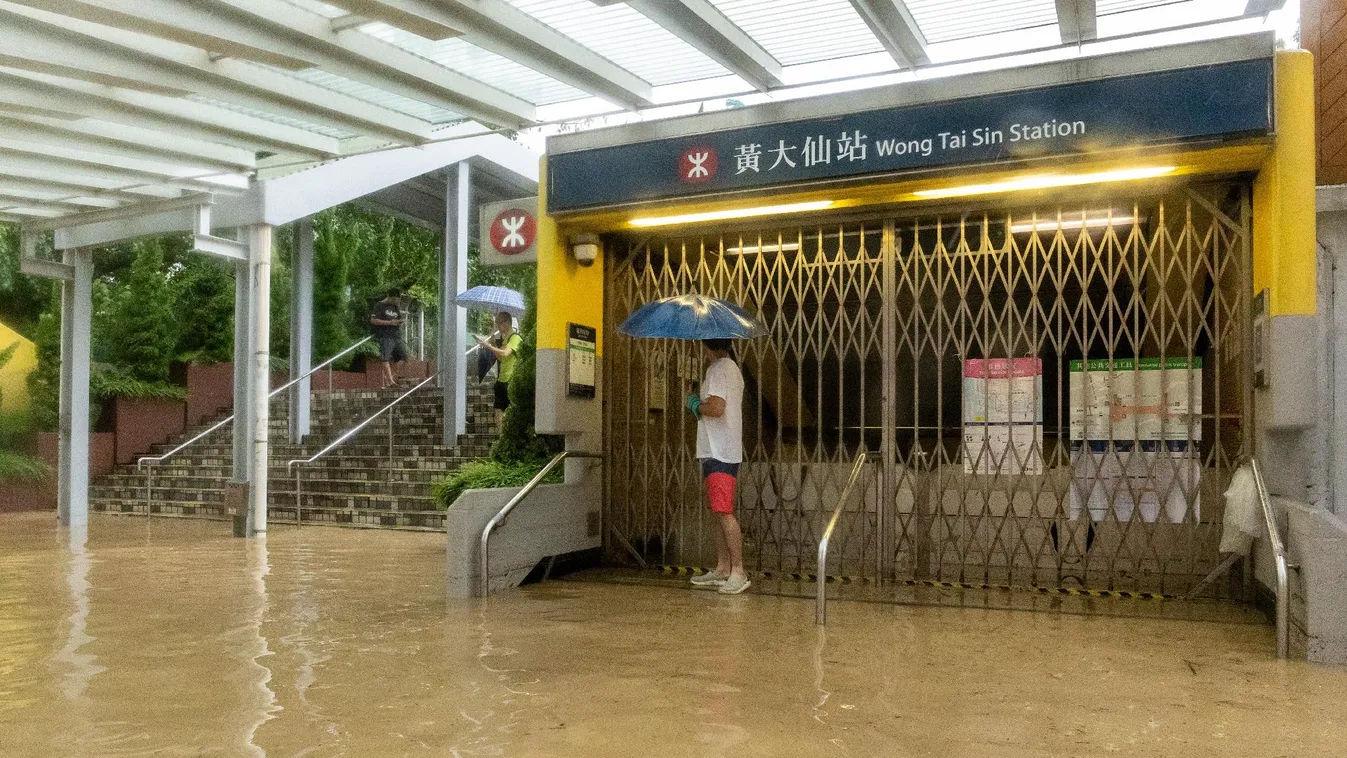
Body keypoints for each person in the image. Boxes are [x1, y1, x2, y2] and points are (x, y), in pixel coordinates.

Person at [686, 338, 749, 595]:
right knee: (717, 511)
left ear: (707, 346)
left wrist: (693, 403)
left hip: (718, 451)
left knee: (723, 511)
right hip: (722, 450)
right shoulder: (733, 369)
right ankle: (723, 568)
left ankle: (738, 571)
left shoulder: (717, 369)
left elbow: (716, 408)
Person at [477, 311, 522, 424]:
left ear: (507, 323)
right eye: (497, 323)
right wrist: (493, 344)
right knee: (498, 412)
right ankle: (501, 437)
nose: (498, 326)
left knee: (508, 413)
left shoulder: (515, 338)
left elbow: (505, 353)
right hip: (502, 380)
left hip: (510, 380)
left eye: (499, 323)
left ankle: (506, 436)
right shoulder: (505, 339)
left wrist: (489, 346)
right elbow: (501, 358)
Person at [369, 288, 407, 389]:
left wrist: (400, 322)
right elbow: (373, 320)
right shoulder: (379, 305)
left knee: (403, 358)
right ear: (389, 296)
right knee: (385, 357)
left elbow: (397, 319)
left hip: (396, 335)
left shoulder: (395, 307)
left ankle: (389, 377)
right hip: (385, 335)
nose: (396, 301)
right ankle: (390, 382)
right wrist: (390, 322)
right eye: (394, 299)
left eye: (397, 300)